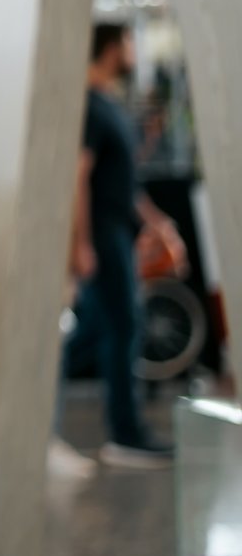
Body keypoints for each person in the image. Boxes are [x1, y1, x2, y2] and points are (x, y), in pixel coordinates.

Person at [57, 23, 180, 470]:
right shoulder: (88, 105)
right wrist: (82, 242)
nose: (133, 51)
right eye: (129, 43)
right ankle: (125, 433)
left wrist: (156, 222)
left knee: (98, 330)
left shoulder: (108, 104)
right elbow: (78, 177)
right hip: (103, 235)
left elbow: (123, 182)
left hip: (117, 231)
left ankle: (44, 409)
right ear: (111, 48)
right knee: (120, 326)